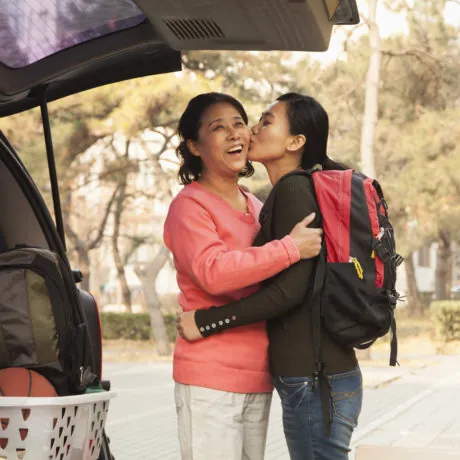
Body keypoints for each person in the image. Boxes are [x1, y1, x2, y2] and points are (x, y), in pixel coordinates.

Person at [177, 93, 362, 460]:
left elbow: (289, 288)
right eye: (218, 127)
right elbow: (214, 273)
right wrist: (289, 249)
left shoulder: (264, 202)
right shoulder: (189, 206)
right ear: (195, 146)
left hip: (264, 376)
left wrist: (209, 320)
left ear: (296, 142)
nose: (240, 133)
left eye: (239, 122)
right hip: (212, 376)